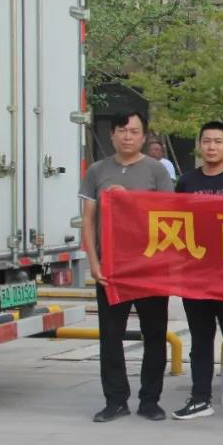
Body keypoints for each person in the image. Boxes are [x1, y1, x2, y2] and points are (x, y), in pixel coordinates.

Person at [79, 110, 174, 423]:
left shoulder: (157, 171)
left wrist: (128, 199)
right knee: (110, 336)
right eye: (122, 131)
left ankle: (150, 400)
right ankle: (115, 399)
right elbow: (89, 220)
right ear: (112, 135)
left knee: (155, 335)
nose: (128, 136)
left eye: (134, 131)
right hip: (112, 268)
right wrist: (94, 263)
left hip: (150, 268)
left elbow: (168, 216)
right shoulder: (97, 170)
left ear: (144, 137)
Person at [171, 121, 223, 424]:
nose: (211, 147)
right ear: (199, 145)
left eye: (218, 141)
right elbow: (174, 222)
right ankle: (200, 398)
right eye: (206, 141)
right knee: (200, 340)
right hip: (195, 274)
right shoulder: (186, 181)